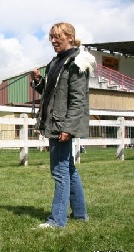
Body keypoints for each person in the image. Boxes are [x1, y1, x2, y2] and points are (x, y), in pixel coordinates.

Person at [30, 22, 96, 228]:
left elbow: (78, 100)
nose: (53, 41)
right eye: (51, 37)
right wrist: (39, 81)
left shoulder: (77, 62)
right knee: (68, 169)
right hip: (54, 122)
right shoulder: (56, 62)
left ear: (69, 36)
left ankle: (57, 220)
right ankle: (80, 214)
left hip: (62, 125)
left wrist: (68, 127)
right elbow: (51, 95)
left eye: (57, 37)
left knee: (59, 172)